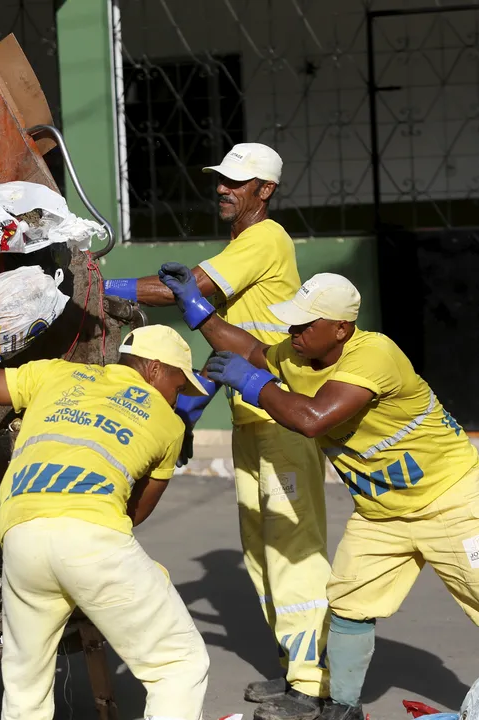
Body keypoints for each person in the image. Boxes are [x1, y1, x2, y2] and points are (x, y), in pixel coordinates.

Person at [156, 265, 479, 720]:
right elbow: (252, 349)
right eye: (292, 322)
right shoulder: (297, 354)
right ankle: (343, 709)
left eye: (305, 324)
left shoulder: (374, 356)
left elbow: (312, 418)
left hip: (448, 498)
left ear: (341, 328)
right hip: (381, 513)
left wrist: (255, 385)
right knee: (349, 602)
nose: (293, 331)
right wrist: (196, 306)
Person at [104, 142, 330, 720]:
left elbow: (193, 292)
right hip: (254, 419)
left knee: (293, 551)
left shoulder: (265, 239)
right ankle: (295, 671)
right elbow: (223, 333)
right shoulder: (243, 245)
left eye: (237, 181)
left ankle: (312, 685)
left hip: (282, 419)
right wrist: (195, 405)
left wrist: (102, 287)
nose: (223, 188)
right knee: (260, 554)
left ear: (266, 190)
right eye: (221, 179)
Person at [0, 298, 211, 720]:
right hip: (93, 539)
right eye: (179, 387)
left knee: (25, 692)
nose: (177, 400)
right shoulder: (170, 424)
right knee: (178, 665)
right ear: (156, 369)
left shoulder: (56, 373)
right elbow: (134, 512)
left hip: (21, 539)